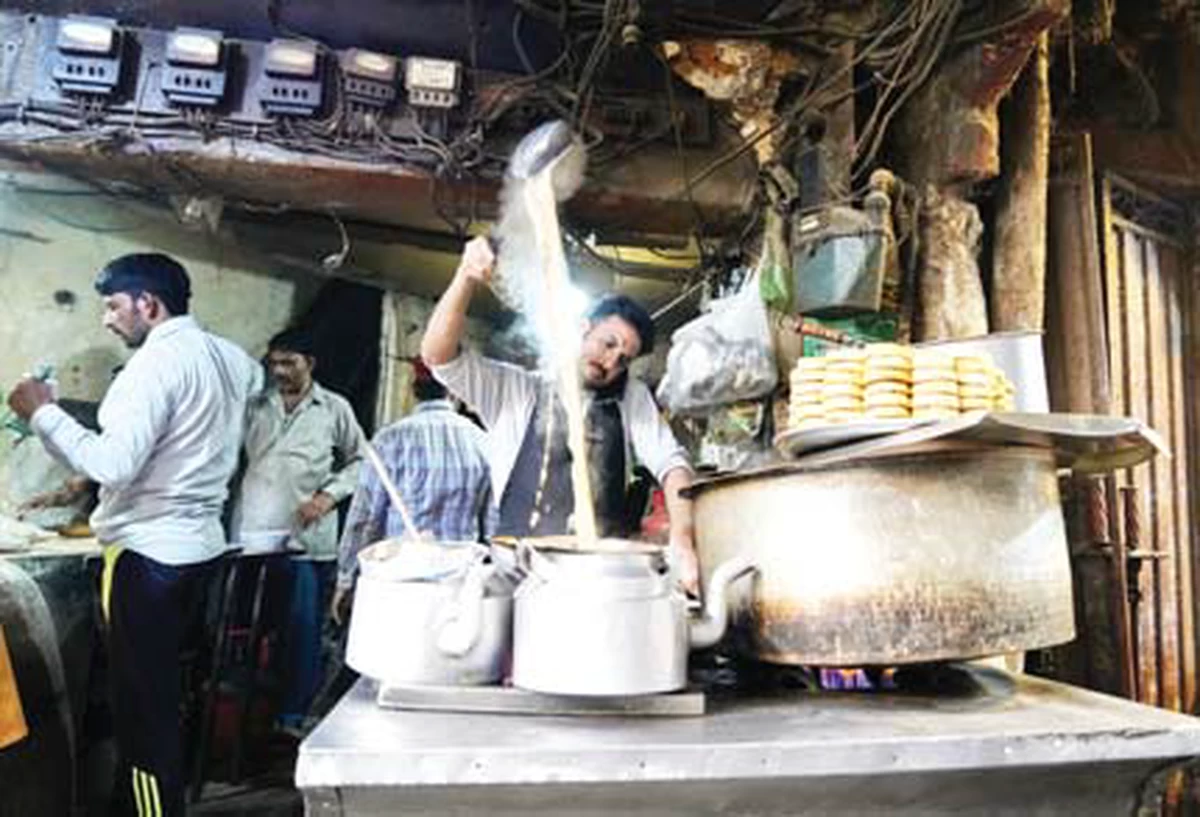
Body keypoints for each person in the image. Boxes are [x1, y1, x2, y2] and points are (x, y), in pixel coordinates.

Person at [6, 253, 261, 817]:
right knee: (168, 699)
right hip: (200, 548)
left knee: (143, 715)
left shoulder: (152, 367)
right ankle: (146, 803)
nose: (107, 320)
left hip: (147, 557)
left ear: (148, 304)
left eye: (113, 306)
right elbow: (245, 393)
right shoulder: (233, 360)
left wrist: (42, 414)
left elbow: (114, 465)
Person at [420, 235, 700, 592]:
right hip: (516, 574)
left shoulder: (631, 398)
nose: (612, 361)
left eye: (624, 358)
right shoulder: (517, 391)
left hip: (597, 577)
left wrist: (683, 540)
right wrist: (465, 277)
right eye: (609, 343)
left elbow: (673, 465)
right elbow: (437, 356)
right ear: (583, 327)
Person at [229, 327, 364, 733]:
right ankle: (245, 716)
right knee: (245, 630)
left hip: (306, 540)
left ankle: (292, 718)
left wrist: (326, 497)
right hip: (250, 536)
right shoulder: (254, 407)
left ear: (311, 363)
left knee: (301, 634)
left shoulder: (333, 408)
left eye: (289, 362)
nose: (280, 371)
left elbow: (362, 461)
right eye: (274, 363)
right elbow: (227, 459)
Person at [332, 359, 493, 623]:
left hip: (399, 579)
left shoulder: (389, 439)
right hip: (460, 584)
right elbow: (494, 526)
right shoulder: (481, 442)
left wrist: (346, 579)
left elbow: (365, 519)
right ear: (454, 391)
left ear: (413, 389)